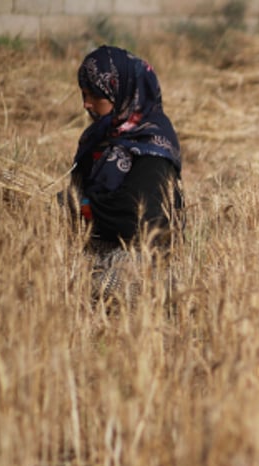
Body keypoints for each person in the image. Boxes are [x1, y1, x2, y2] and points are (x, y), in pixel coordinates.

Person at [69, 45, 182, 298]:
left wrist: (83, 207)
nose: (86, 104)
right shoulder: (97, 137)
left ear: (121, 92)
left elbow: (143, 217)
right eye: (83, 94)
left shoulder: (153, 144)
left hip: (137, 253)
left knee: (107, 287)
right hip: (93, 243)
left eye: (94, 96)